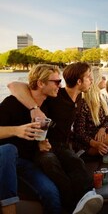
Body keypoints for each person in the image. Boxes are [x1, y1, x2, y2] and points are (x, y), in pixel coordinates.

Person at [8, 62, 104, 214]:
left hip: (58, 145)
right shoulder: (54, 97)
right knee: (50, 161)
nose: (59, 85)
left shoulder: (78, 100)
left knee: (74, 161)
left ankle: (88, 194)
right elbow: (14, 85)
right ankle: (75, 204)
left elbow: (75, 128)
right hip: (42, 148)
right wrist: (35, 109)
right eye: (89, 77)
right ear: (79, 81)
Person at [0, 64, 63, 214]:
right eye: (57, 82)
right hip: (3, 158)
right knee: (9, 149)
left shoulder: (46, 107)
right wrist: (17, 131)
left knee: (51, 193)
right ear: (41, 83)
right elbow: (13, 84)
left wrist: (41, 144)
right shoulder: (11, 103)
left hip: (25, 163)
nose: (60, 85)